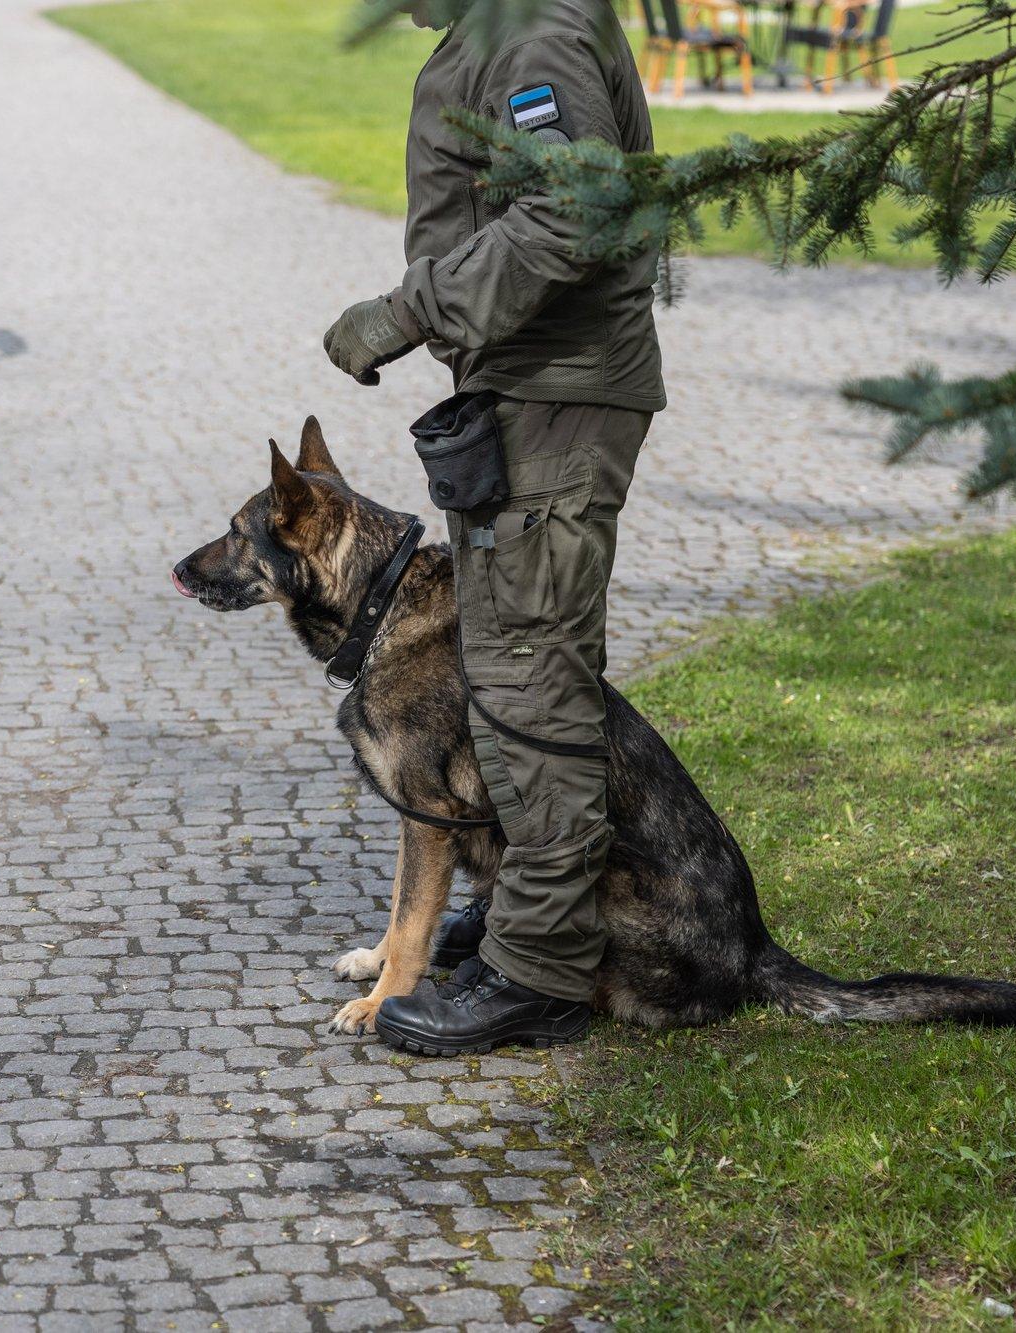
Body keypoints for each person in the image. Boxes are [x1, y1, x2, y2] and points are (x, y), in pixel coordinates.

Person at [321, 0, 666, 1054]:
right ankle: (531, 917)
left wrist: (405, 309)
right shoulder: (501, 27)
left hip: (556, 399)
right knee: (518, 668)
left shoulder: (532, 34)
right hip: (526, 390)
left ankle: (540, 974)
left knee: (526, 682)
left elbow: (569, 213)